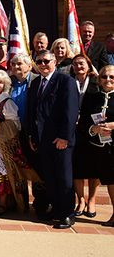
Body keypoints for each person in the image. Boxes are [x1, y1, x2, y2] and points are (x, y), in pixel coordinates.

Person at [26, 50, 79, 229]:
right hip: (42, 141)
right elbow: (32, 112)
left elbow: (70, 112)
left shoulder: (66, 82)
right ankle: (56, 209)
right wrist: (32, 136)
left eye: (46, 61)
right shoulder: (34, 84)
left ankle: (67, 214)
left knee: (64, 178)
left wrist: (64, 137)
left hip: (60, 140)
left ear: (54, 61)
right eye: (39, 62)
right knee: (50, 178)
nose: (43, 65)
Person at [0, 70, 27, 214]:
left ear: (5, 85)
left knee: (2, 173)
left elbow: (15, 124)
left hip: (0, 144)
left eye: (0, 82)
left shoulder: (6, 101)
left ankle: (3, 203)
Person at [77, 65, 114, 226]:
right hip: (96, 146)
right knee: (110, 180)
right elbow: (84, 120)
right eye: (104, 77)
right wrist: (94, 128)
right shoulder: (92, 97)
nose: (108, 80)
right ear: (99, 80)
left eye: (112, 77)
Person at [9, 54, 42, 211]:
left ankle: (40, 202)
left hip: (32, 133)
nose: (16, 67)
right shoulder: (10, 83)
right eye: (14, 64)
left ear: (29, 66)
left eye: (20, 64)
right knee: (18, 168)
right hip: (14, 133)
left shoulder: (37, 80)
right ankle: (20, 202)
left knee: (35, 167)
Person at [71, 53, 100, 217]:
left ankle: (92, 200)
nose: (78, 66)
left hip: (91, 130)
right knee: (77, 166)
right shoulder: (69, 82)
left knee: (93, 167)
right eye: (75, 64)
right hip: (74, 130)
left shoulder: (96, 83)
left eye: (81, 63)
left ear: (88, 66)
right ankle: (80, 199)